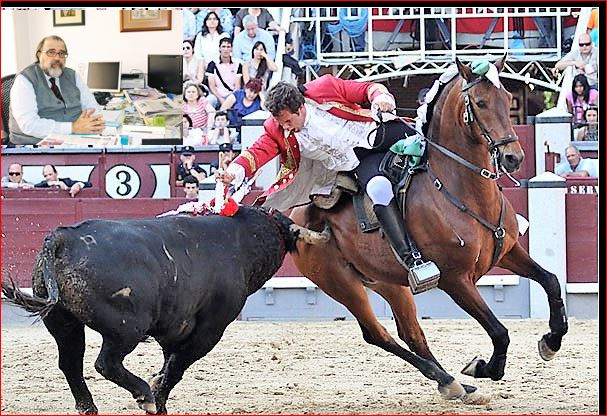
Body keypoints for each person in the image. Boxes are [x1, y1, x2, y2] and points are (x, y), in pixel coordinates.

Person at [217, 75, 436, 271]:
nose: (286, 127)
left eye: (288, 121)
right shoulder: (277, 128)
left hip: (381, 131)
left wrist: (381, 97)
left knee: (433, 144)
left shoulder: (325, 87)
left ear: (300, 108)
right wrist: (234, 171)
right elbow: (257, 152)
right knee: (378, 190)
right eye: (281, 123)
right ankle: (412, 260)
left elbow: (366, 89)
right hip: (360, 160)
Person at [9, 35, 105, 145]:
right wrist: (72, 128)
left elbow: (92, 106)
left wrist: (93, 123)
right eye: (51, 52)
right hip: (34, 144)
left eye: (62, 53)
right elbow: (29, 124)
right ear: (39, 55)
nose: (57, 58)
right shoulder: (25, 80)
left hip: (75, 139)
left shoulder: (72, 75)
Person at [206, 37, 243, 107]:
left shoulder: (238, 64)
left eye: (228, 47)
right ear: (219, 48)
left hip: (231, 95)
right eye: (223, 47)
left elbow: (237, 86)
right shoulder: (212, 64)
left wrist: (229, 100)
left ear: (231, 49)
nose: (226, 49)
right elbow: (212, 86)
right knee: (209, 100)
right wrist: (220, 98)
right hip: (217, 95)